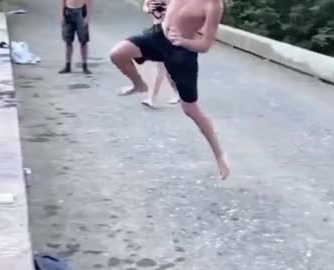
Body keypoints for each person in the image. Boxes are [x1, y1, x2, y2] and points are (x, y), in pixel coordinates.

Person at [109, 0, 230, 180]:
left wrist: (183, 41)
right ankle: (139, 84)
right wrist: (150, 8)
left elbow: (205, 45)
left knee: (191, 109)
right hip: (158, 37)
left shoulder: (213, 4)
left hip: (182, 50)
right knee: (117, 54)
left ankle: (220, 156)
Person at [139, 0, 180, 107]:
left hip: (169, 33)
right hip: (156, 32)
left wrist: (167, 11)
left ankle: (152, 98)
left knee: (160, 67)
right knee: (166, 69)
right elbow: (145, 6)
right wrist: (149, 9)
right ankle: (180, 92)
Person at [59, 0, 92, 74]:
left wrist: (87, 16)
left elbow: (89, 1)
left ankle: (84, 65)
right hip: (68, 11)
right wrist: (62, 15)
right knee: (68, 41)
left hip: (81, 10)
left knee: (83, 41)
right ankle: (68, 65)